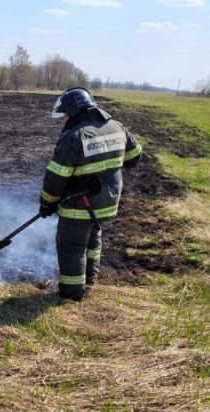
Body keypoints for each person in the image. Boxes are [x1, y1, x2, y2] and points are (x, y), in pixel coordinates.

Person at [39, 87, 142, 301]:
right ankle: (90, 280)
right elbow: (135, 157)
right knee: (93, 238)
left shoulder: (74, 136)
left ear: (75, 110)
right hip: (107, 202)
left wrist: (47, 203)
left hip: (80, 206)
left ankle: (71, 295)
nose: (64, 119)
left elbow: (56, 178)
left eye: (65, 114)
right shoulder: (116, 126)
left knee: (72, 247)